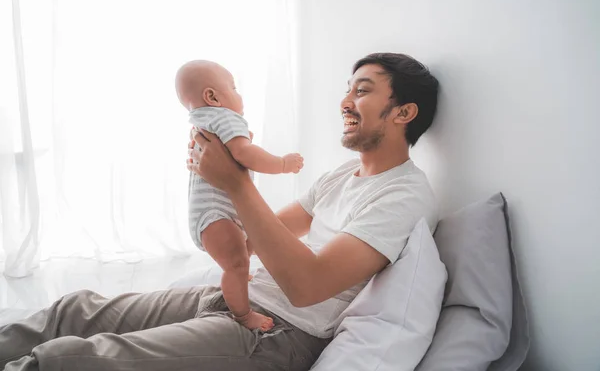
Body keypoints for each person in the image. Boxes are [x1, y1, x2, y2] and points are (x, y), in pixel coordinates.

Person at [0, 52, 439, 371]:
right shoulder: (342, 176)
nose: (345, 100)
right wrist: (211, 192)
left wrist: (235, 181)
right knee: (75, 310)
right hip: (235, 298)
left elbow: (309, 286)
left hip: (277, 333)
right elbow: (254, 240)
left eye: (362, 91)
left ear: (404, 112)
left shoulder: (404, 194)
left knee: (78, 359)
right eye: (347, 88)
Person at [176, 60, 304, 332]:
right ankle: (243, 316)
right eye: (234, 87)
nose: (239, 94)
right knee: (235, 263)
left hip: (208, 215)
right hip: (217, 214)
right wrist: (282, 164)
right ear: (213, 96)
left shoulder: (202, 121)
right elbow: (245, 154)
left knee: (237, 259)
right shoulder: (225, 117)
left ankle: (238, 277)